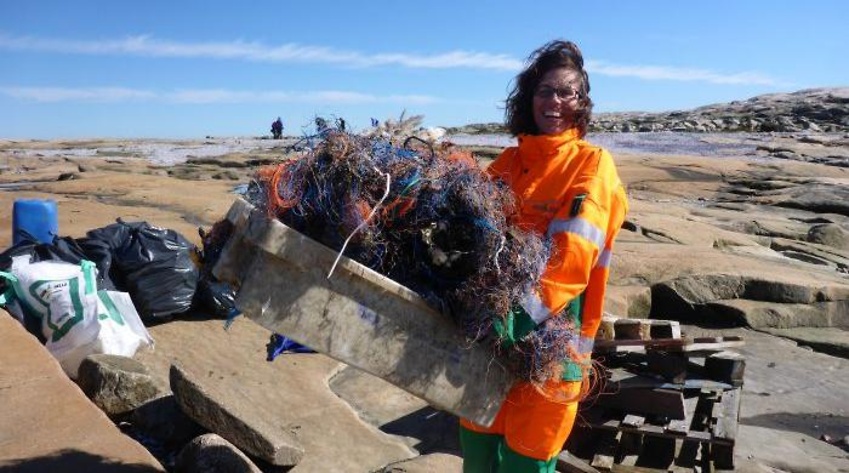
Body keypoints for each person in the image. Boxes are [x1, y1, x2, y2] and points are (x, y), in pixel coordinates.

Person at [459, 40, 629, 472]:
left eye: (566, 92)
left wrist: (514, 318)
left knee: (527, 463)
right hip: (489, 345)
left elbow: (572, 258)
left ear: (581, 102)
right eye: (544, 91)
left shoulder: (592, 165)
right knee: (478, 456)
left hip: (552, 352)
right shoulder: (507, 164)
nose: (554, 101)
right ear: (528, 98)